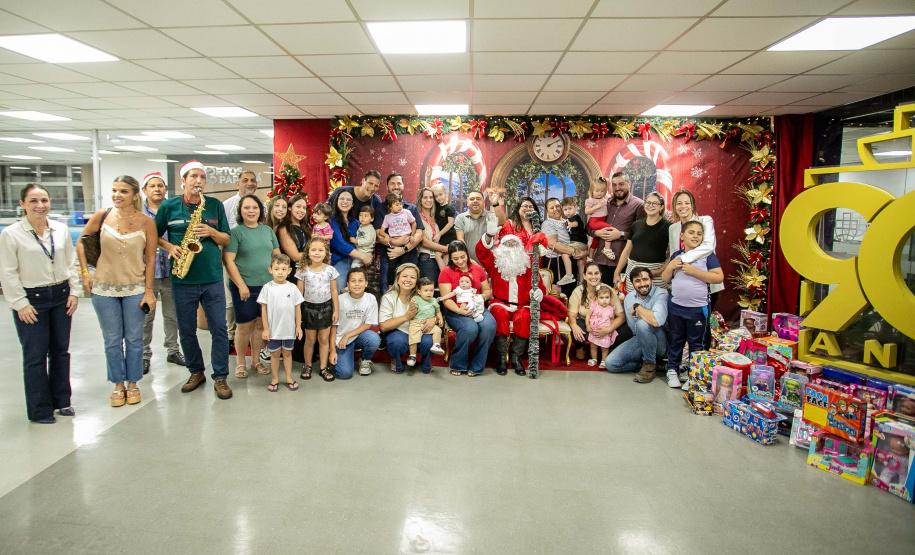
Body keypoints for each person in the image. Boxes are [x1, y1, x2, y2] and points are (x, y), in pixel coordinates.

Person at [0, 183, 80, 423]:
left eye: (44, 200)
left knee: (60, 352)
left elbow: (70, 263)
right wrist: (19, 303)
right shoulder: (11, 233)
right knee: (35, 356)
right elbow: (7, 272)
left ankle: (62, 401)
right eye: (33, 201)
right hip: (31, 299)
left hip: (61, 295)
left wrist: (74, 292)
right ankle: (39, 410)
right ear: (22, 204)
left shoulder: (60, 229)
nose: (40, 205)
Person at [155, 160, 233, 400]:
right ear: (183, 181)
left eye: (202, 177)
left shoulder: (215, 206)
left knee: (219, 329)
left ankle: (220, 377)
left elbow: (226, 240)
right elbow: (154, 236)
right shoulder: (168, 207)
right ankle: (196, 371)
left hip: (211, 278)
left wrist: (211, 232)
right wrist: (170, 247)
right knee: (186, 330)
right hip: (182, 278)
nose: (198, 181)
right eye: (193, 177)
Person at [78, 175, 158, 407]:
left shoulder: (146, 222)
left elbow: (150, 260)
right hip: (104, 289)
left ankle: (132, 383)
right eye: (114, 190)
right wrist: (85, 273)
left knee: (134, 339)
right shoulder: (102, 216)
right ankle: (117, 384)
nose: (117, 195)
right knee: (112, 340)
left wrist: (149, 290)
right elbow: (82, 242)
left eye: (123, 191)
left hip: (135, 287)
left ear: (135, 196)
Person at [477, 221, 562, 376]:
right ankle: (502, 358)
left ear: (519, 247)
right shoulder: (494, 261)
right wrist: (489, 235)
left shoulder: (527, 265)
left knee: (524, 319)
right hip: (500, 303)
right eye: (507, 243)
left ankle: (516, 358)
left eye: (513, 243)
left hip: (523, 305)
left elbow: (538, 284)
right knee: (499, 316)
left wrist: (539, 293)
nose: (510, 246)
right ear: (500, 247)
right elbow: (481, 252)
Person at [223, 194, 280, 379]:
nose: (251, 211)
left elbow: (276, 257)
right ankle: (241, 362)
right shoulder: (236, 232)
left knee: (259, 324)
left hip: (266, 287)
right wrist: (241, 285)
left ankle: (256, 361)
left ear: (260, 210)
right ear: (240, 210)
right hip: (244, 287)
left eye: (254, 207)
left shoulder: (267, 231)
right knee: (244, 326)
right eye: (246, 207)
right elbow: (228, 261)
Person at [661, 221, 723, 388]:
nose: (695, 236)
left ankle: (694, 375)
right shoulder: (676, 256)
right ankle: (672, 369)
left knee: (697, 342)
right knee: (675, 339)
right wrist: (671, 266)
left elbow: (718, 277)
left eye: (699, 233)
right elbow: (666, 279)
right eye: (691, 232)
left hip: (698, 309)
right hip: (676, 307)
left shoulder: (707, 255)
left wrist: (695, 272)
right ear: (682, 236)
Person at [140, 172, 185, 374]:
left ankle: (173, 350)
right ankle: (143, 354)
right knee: (146, 316)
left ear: (166, 189)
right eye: (152, 186)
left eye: (160, 185)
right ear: (144, 190)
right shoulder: (138, 214)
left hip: (172, 271)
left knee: (171, 315)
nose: (157, 189)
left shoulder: (173, 209)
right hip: (146, 273)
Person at [438, 241, 496, 377]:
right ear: (451, 258)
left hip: (476, 307)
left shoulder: (477, 269)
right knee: (470, 328)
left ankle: (477, 364)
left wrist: (481, 296)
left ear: (467, 254)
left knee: (489, 326)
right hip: (455, 311)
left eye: (463, 257)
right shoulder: (446, 272)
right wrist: (459, 311)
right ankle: (458, 363)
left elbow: (487, 290)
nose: (460, 261)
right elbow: (446, 299)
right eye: (456, 258)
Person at [606, 267, 670, 384]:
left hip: (661, 342)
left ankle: (649, 366)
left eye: (645, 279)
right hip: (641, 339)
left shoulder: (661, 293)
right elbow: (634, 328)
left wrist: (637, 307)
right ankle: (654, 365)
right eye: (638, 281)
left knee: (642, 323)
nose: (642, 284)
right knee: (611, 364)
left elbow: (656, 321)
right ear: (633, 283)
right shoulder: (629, 298)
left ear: (651, 280)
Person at [668, 189, 723, 308]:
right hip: (682, 286)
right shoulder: (673, 228)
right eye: (679, 203)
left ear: (692, 205)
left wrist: (683, 259)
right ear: (674, 207)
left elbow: (708, 246)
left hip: (704, 284)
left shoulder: (705, 220)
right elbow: (673, 254)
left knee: (702, 323)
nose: (683, 206)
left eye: (687, 203)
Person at [222, 171, 260, 342]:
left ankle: (254, 338)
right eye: (245, 180)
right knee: (231, 302)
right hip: (232, 261)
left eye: (253, 180)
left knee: (256, 305)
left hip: (255, 263)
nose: (249, 183)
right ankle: (231, 335)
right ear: (238, 184)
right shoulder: (227, 205)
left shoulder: (262, 206)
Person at [295, 237, 339, 382]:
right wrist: (298, 314)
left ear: (326, 253)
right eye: (313, 250)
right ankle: (307, 365)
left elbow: (333, 292)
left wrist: (336, 310)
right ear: (307, 252)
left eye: (320, 250)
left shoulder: (330, 270)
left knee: (324, 339)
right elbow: (299, 294)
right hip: (309, 309)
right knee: (310, 339)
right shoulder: (302, 271)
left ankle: (323, 367)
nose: (317, 253)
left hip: (326, 308)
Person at [257, 253, 304, 392]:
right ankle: (275, 378)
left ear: (289, 271)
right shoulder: (267, 288)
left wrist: (298, 326)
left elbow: (298, 308)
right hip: (273, 330)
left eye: (284, 269)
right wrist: (266, 329)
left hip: (288, 330)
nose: (280, 272)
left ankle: (289, 377)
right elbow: (263, 310)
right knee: (275, 354)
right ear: (270, 270)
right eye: (277, 269)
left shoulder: (293, 288)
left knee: (288, 354)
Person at [591, 172, 646, 285]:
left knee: (618, 299)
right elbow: (589, 226)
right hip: (599, 260)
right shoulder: (605, 203)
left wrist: (620, 234)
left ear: (629, 184)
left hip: (621, 262)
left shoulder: (639, 205)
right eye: (614, 185)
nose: (617, 188)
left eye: (621, 184)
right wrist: (596, 232)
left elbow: (642, 234)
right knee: (599, 298)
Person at [379, 263, 434, 374]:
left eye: (412, 277)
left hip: (420, 331)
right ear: (397, 278)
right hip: (399, 332)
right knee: (396, 342)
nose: (408, 280)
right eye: (405, 276)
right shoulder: (388, 297)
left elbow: (436, 312)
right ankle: (396, 358)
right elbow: (383, 326)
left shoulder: (423, 296)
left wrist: (434, 320)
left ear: (417, 281)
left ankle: (426, 359)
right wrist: (406, 317)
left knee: (430, 341)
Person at [329, 266, 380, 379]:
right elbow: (333, 327)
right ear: (347, 283)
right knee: (345, 374)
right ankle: (343, 357)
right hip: (341, 341)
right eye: (353, 281)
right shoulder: (339, 300)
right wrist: (332, 350)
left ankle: (364, 359)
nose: (357, 284)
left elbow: (368, 324)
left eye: (360, 281)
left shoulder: (370, 298)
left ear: (366, 283)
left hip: (358, 336)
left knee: (374, 339)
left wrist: (348, 335)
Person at [614, 191, 672, 290]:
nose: (651, 206)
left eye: (655, 203)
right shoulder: (636, 225)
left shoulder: (668, 227)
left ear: (661, 207)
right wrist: (616, 272)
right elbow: (627, 250)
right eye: (648, 202)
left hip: (656, 275)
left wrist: (659, 271)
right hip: (633, 272)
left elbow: (672, 255)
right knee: (633, 304)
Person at [378, 173, 425, 293]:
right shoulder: (381, 208)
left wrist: (404, 249)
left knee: (409, 291)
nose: (396, 186)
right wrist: (395, 242)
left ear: (403, 186)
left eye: (399, 183)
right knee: (387, 291)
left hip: (409, 254)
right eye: (392, 183)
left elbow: (419, 232)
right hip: (389, 254)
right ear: (387, 187)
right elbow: (378, 233)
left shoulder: (411, 208)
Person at [568, 262, 625, 360]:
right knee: (576, 328)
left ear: (600, 275)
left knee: (625, 332)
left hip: (606, 323)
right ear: (584, 276)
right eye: (590, 273)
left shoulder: (608, 290)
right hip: (588, 325)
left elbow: (621, 316)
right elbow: (571, 315)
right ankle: (580, 347)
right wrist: (574, 326)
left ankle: (609, 347)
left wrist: (608, 329)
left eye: (596, 273)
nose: (593, 276)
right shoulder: (578, 291)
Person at [540, 198, 588, 294]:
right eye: (551, 207)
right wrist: (574, 251)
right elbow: (552, 244)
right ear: (547, 211)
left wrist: (584, 252)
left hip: (571, 260)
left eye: (557, 206)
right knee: (558, 296)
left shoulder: (568, 222)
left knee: (571, 292)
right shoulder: (548, 223)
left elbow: (580, 239)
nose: (555, 209)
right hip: (557, 263)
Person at [328, 189, 371, 293]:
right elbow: (339, 243)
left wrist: (368, 254)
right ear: (336, 201)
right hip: (339, 261)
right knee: (340, 293)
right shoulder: (331, 220)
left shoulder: (355, 222)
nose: (345, 201)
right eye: (342, 198)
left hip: (356, 261)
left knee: (357, 294)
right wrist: (363, 256)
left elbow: (364, 239)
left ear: (352, 204)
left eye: (348, 199)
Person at [454, 190, 505, 264]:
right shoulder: (461, 218)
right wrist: (468, 259)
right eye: (472, 199)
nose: (475, 201)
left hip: (488, 263)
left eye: (478, 199)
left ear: (483, 202)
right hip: (467, 263)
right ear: (467, 202)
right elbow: (460, 239)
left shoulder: (490, 216)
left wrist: (495, 204)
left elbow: (502, 221)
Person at [379, 192, 417, 287]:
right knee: (391, 266)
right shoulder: (387, 217)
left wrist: (412, 235)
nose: (400, 206)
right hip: (393, 244)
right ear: (390, 207)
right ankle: (390, 285)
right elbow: (381, 231)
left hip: (405, 243)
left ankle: (402, 285)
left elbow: (414, 223)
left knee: (405, 266)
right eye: (397, 205)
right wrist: (386, 236)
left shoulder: (406, 212)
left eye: (400, 204)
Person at [407, 277, 446, 366]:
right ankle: (412, 355)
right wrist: (412, 303)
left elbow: (437, 311)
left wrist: (440, 319)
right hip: (417, 322)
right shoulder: (417, 299)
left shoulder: (434, 301)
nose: (429, 293)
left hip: (430, 323)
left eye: (431, 290)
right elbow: (412, 310)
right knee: (413, 337)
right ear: (419, 292)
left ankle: (436, 345)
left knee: (438, 331)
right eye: (426, 290)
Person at [416, 187, 447, 283]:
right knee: (429, 290)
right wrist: (445, 249)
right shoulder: (417, 217)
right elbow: (424, 242)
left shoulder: (435, 217)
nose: (428, 200)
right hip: (426, 258)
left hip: (439, 258)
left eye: (431, 197)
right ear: (420, 200)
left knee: (442, 289)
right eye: (425, 197)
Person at [585, 284, 619, 368]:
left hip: (605, 331)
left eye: (607, 297)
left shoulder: (610, 309)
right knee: (593, 346)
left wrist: (610, 330)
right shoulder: (594, 306)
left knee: (604, 348)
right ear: (597, 298)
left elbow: (612, 320)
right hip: (594, 330)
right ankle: (594, 359)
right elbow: (588, 315)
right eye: (602, 298)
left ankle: (603, 361)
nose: (604, 300)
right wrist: (587, 325)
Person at [583, 177, 614, 260]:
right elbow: (587, 211)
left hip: (602, 220)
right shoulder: (591, 200)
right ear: (592, 190)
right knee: (609, 229)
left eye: (602, 191)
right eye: (597, 191)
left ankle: (590, 257)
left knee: (595, 241)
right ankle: (607, 249)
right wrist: (596, 206)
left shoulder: (604, 198)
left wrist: (612, 195)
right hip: (594, 221)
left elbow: (610, 195)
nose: (600, 193)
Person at [561, 196, 588, 281]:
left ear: (575, 207)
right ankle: (582, 280)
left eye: (570, 208)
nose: (568, 211)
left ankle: (569, 275)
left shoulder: (575, 217)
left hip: (577, 243)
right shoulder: (568, 219)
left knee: (565, 254)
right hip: (580, 243)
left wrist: (571, 224)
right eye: (565, 210)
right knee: (580, 262)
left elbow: (576, 223)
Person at [431, 185, 457, 270]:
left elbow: (450, 223)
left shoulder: (449, 208)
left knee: (446, 258)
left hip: (449, 236)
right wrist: (428, 177)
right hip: (441, 237)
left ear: (445, 193)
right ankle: (444, 274)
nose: (438, 198)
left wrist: (439, 234)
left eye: (440, 194)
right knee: (437, 256)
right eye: (436, 196)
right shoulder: (436, 206)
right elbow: (427, 189)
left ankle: (446, 275)